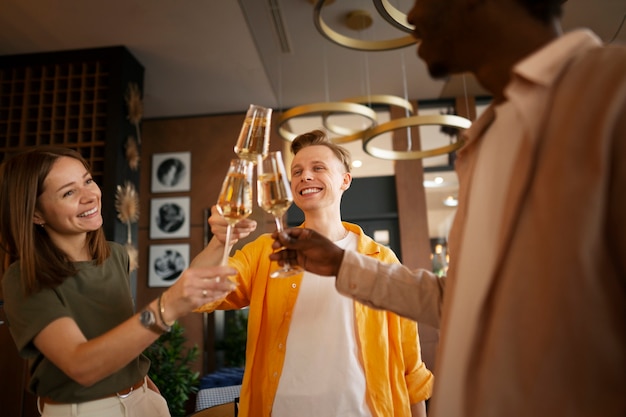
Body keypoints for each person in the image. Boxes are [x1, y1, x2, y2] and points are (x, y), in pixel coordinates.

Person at [270, 1, 626, 417]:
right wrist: (341, 264)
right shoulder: (488, 136)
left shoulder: (612, 91)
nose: (413, 16)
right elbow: (460, 299)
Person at [193, 130, 433, 417]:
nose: (304, 176)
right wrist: (221, 240)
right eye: (297, 171)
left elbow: (410, 362)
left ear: (345, 180)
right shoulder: (266, 252)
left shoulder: (381, 259)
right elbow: (199, 296)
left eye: (318, 168)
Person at [0, 146, 236, 417]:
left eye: (88, 181)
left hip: (143, 398)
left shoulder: (114, 255)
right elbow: (81, 365)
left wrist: (222, 240)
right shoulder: (24, 278)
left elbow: (121, 339)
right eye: (68, 192)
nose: (90, 196)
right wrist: (165, 308)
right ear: (35, 214)